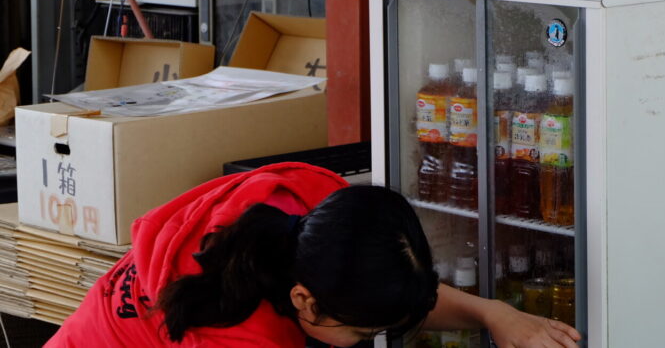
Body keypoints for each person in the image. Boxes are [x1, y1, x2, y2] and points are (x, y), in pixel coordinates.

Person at [46, 162, 581, 347]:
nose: (367, 341)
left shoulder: (315, 205)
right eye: (363, 334)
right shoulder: (240, 332)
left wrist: (494, 314)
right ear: (305, 301)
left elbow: (378, 286)